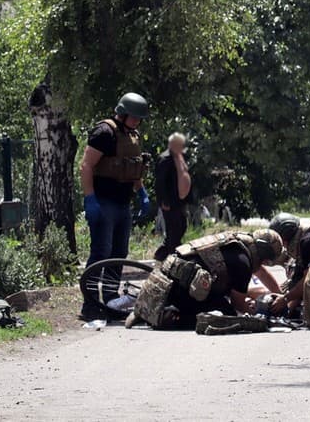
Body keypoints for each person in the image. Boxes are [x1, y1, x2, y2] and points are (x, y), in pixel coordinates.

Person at [78, 92, 152, 320]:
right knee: (101, 253)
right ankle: (90, 304)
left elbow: (132, 168)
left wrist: (141, 192)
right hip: (103, 202)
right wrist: (90, 199)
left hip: (122, 204)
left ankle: (111, 302)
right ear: (123, 113)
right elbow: (86, 166)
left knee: (119, 253)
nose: (138, 122)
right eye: (135, 117)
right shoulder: (104, 133)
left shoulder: (132, 135)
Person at [127, 228, 284, 329]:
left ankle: (150, 310)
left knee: (221, 300)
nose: (264, 264)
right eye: (266, 261)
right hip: (178, 288)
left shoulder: (238, 246)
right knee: (226, 315)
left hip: (169, 275)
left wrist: (282, 297)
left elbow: (261, 273)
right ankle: (168, 318)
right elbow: (238, 303)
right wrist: (258, 312)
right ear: (262, 257)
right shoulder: (243, 264)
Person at [153, 133, 192, 261]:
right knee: (173, 231)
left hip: (179, 201)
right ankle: (170, 257)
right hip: (169, 201)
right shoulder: (165, 159)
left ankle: (162, 254)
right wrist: (163, 201)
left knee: (181, 227)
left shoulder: (179, 158)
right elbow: (160, 183)